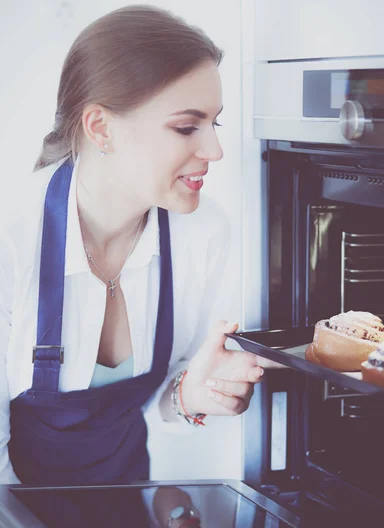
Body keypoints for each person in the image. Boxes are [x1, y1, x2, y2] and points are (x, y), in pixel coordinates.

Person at [0, 4, 273, 486]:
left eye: (215, 124)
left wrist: (190, 396)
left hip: (129, 519)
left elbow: (161, 402)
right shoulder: (11, 239)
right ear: (101, 127)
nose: (214, 151)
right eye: (187, 126)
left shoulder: (203, 230)